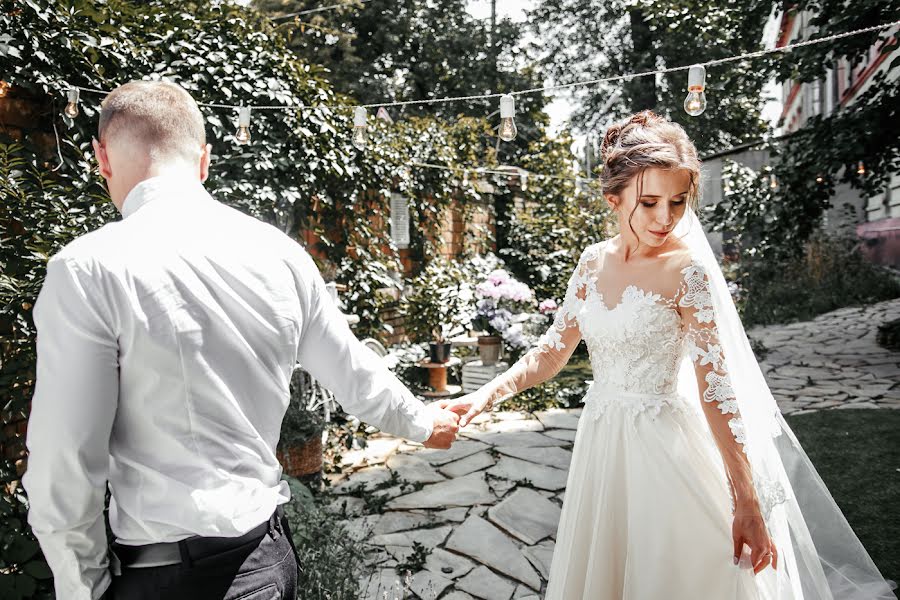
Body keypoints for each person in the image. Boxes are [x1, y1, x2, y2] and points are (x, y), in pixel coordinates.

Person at [22, 80, 462, 600]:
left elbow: (65, 461)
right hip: (267, 560)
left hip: (166, 578)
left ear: (102, 158)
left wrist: (81, 589)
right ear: (204, 160)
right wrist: (425, 421)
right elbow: (353, 371)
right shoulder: (282, 254)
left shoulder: (87, 269)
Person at [446, 111, 896, 599]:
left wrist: (746, 501)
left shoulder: (688, 272)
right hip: (602, 443)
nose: (666, 218)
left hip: (666, 449)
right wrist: (486, 395)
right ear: (613, 198)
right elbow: (551, 353)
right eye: (650, 202)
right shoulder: (591, 263)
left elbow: (715, 390)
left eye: (678, 202)